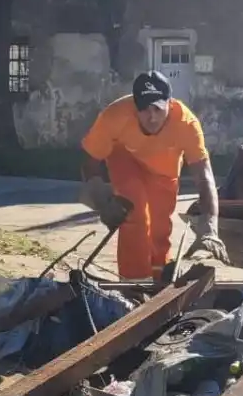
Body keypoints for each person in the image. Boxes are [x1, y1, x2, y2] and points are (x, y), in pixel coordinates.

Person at [80, 71, 228, 280]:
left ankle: (159, 280)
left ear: (170, 103)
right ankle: (133, 283)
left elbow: (204, 176)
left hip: (163, 170)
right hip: (125, 158)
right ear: (134, 106)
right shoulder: (114, 116)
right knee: (135, 213)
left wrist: (209, 228)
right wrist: (101, 200)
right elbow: (90, 160)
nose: (152, 117)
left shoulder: (186, 124)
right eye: (144, 109)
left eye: (158, 108)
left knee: (160, 224)